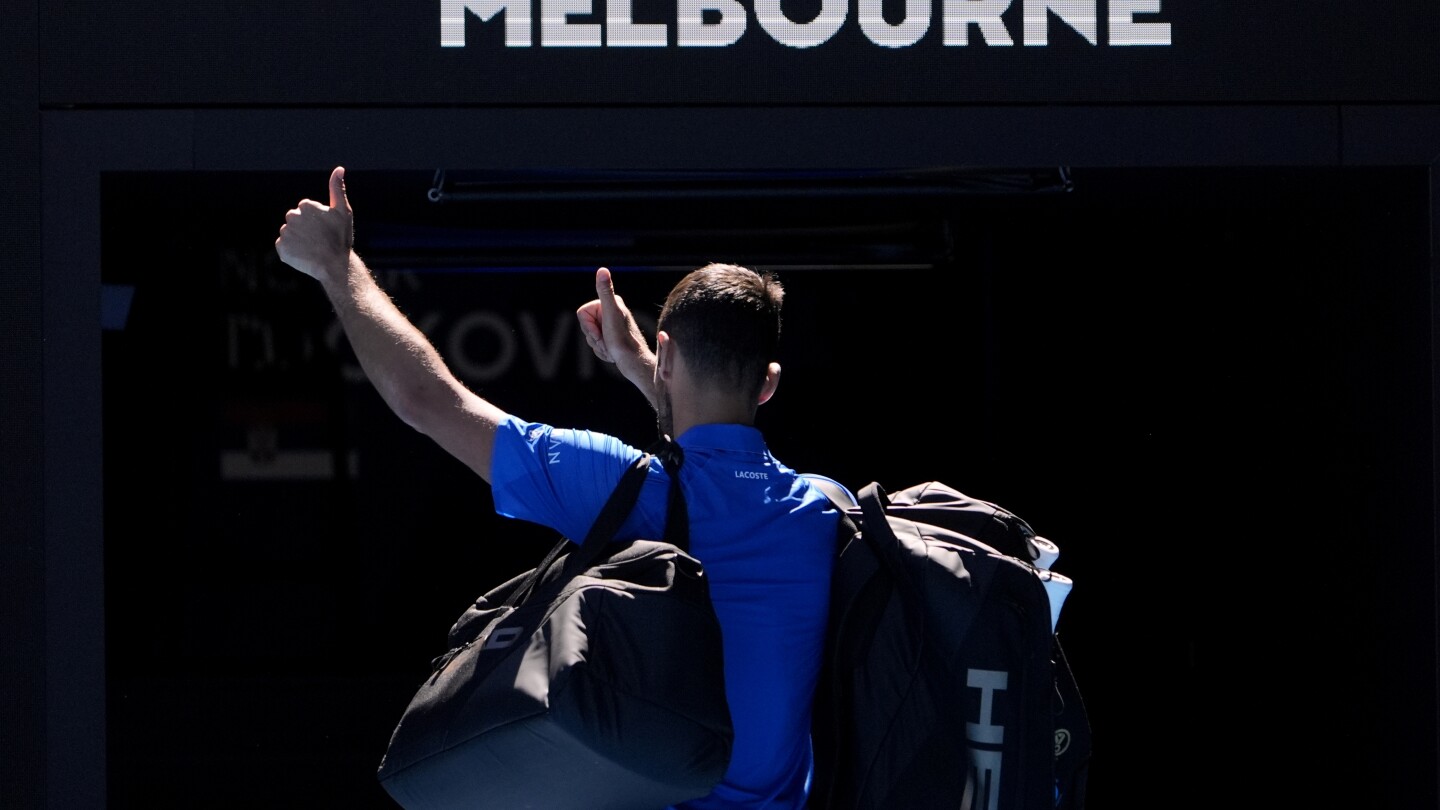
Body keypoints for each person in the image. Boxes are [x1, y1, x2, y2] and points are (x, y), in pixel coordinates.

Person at [274, 166, 840, 809]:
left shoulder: (622, 487)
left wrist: (338, 266)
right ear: (768, 383)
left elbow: (426, 400)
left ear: (667, 354)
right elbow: (714, 465)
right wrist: (646, 371)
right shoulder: (825, 510)